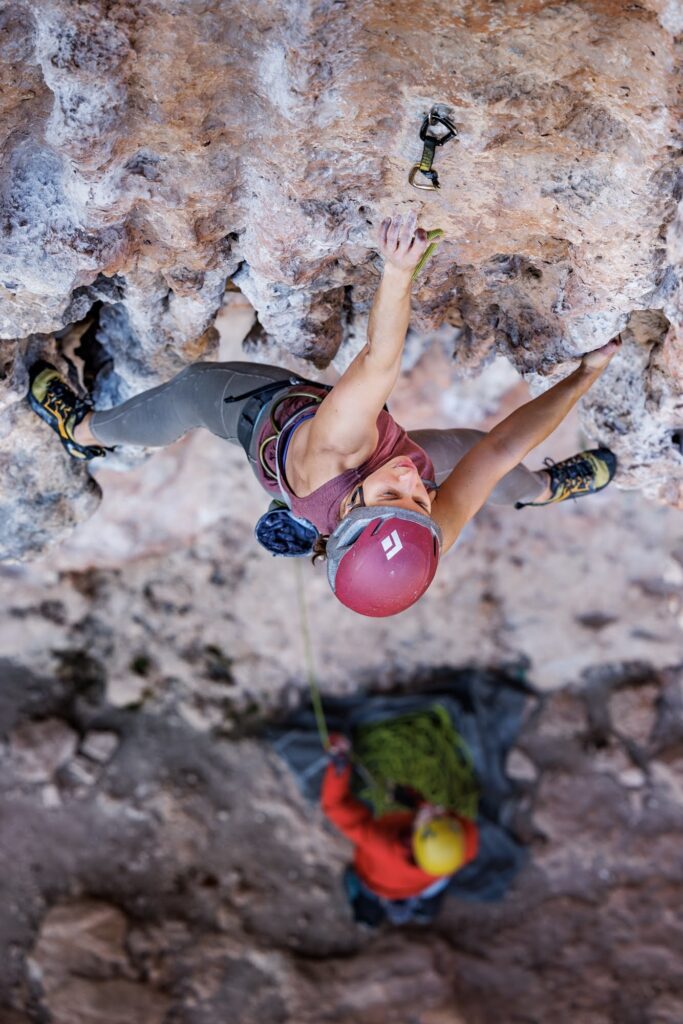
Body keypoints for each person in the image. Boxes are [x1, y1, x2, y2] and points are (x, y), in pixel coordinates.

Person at [28, 211, 621, 617]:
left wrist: (396, 270)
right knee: (473, 452)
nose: (416, 484)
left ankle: (80, 431)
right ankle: (544, 490)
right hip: (352, 470)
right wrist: (585, 375)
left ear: (355, 510)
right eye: (422, 502)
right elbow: (495, 451)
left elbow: (379, 361)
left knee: (188, 393)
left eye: (397, 496)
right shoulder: (422, 529)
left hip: (269, 420)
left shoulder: (338, 447)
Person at [321, 733, 478, 926]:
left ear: (415, 837)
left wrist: (339, 764)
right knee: (434, 890)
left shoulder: (380, 842)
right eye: (442, 816)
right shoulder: (462, 843)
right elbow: (441, 821)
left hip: (378, 884)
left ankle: (367, 917)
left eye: (432, 817)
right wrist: (415, 800)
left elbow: (335, 806)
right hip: (425, 884)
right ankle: (425, 912)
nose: (437, 808)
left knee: (362, 892)